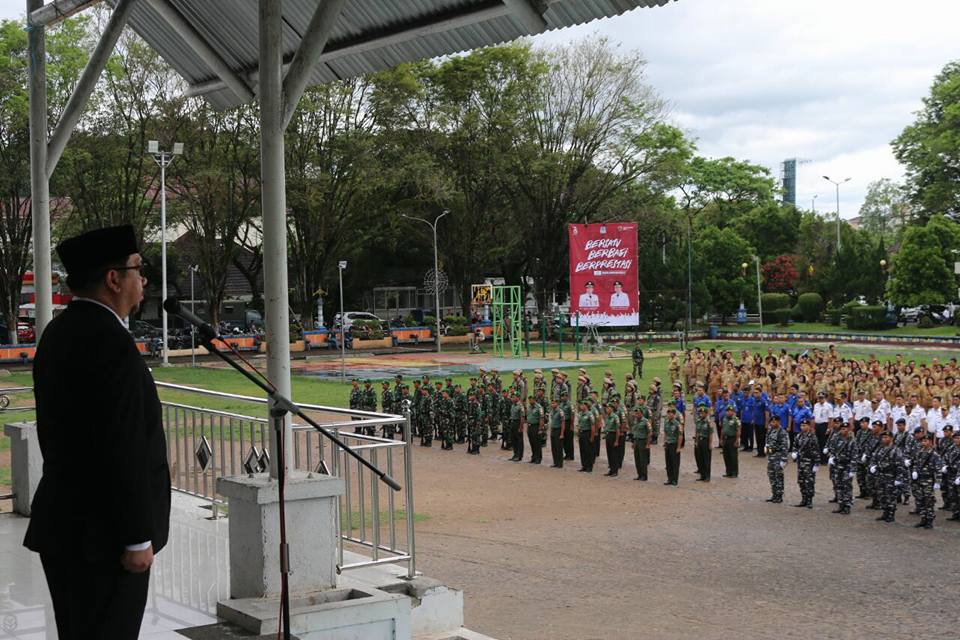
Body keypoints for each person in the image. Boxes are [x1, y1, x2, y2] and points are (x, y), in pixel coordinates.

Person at [26, 225, 171, 639]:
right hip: (104, 539)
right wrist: (136, 537)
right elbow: (120, 447)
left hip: (67, 524)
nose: (143, 279)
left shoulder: (60, 331)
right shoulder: (111, 344)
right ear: (113, 278)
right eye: (137, 269)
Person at [913, 433, 943, 529]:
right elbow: (915, 464)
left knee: (928, 501)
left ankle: (929, 520)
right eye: (922, 441)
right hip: (919, 479)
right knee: (920, 500)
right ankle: (923, 519)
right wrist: (914, 472)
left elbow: (938, 469)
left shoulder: (934, 454)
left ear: (930, 442)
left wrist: (938, 482)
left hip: (929, 480)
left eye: (925, 441)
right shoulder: (919, 452)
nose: (923, 443)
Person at [792, 419, 819, 508]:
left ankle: (809, 500)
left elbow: (816, 450)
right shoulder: (798, 436)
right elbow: (795, 446)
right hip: (801, 463)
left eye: (804, 425)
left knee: (809, 482)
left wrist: (816, 463)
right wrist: (794, 452)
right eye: (801, 425)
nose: (802, 427)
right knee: (801, 481)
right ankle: (803, 499)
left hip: (809, 463)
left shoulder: (812, 437)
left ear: (809, 426)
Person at [764, 415, 789, 503]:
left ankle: (779, 496)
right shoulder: (770, 430)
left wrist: (784, 459)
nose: (773, 423)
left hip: (778, 456)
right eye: (772, 422)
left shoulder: (782, 432)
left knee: (778, 477)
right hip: (771, 456)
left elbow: (785, 446)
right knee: (771, 476)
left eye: (775, 422)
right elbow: (767, 440)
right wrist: (766, 447)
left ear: (779, 422)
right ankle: (774, 494)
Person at [630, 397, 652, 481]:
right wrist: (633, 442)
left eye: (638, 413)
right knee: (637, 459)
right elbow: (635, 432)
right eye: (635, 413)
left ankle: (644, 475)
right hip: (637, 441)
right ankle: (639, 474)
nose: (636, 415)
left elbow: (650, 432)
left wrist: (648, 443)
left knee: (643, 460)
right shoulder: (636, 421)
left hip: (643, 441)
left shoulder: (646, 421)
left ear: (641, 414)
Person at [662, 406, 683, 485]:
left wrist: (678, 447)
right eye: (668, 414)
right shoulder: (666, 422)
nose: (669, 415)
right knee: (668, 463)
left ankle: (674, 480)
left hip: (674, 445)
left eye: (671, 414)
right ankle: (669, 479)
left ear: (674, 415)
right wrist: (664, 442)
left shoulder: (677, 424)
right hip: (668, 444)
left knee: (675, 463)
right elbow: (665, 433)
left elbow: (680, 436)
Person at [720, 404, 741, 478]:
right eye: (728, 411)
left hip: (732, 439)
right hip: (725, 438)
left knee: (733, 456)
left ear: (733, 412)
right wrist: (721, 439)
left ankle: (734, 472)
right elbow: (722, 429)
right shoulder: (724, 418)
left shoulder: (736, 419)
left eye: (731, 411)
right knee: (726, 456)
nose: (729, 412)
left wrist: (737, 440)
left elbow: (738, 430)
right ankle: (728, 471)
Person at [693, 405, 712, 482]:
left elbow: (710, 434)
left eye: (703, 413)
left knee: (706, 459)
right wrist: (696, 442)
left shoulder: (708, 422)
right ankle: (702, 475)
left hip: (705, 441)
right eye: (700, 413)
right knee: (700, 458)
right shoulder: (698, 421)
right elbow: (697, 432)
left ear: (706, 414)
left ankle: (707, 476)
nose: (701, 414)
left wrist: (710, 444)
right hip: (699, 441)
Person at [577, 400, 596, 473]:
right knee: (582, 450)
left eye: (583, 405)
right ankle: (584, 466)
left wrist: (592, 436)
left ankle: (589, 467)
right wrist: (579, 433)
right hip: (581, 433)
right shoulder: (580, 414)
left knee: (588, 451)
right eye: (581, 405)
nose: (581, 406)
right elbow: (579, 424)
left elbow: (593, 426)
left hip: (587, 433)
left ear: (586, 406)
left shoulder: (590, 414)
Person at [525, 394, 544, 464]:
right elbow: (528, 417)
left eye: (531, 399)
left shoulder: (539, 407)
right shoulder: (529, 407)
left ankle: (538, 458)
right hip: (530, 426)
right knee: (532, 442)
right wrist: (527, 427)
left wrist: (540, 429)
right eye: (529, 400)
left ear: (534, 400)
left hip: (536, 426)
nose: (530, 401)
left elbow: (541, 418)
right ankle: (533, 457)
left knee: (537, 443)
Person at [548, 399, 566, 468]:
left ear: (557, 404)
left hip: (558, 430)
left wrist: (562, 434)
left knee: (559, 448)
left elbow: (563, 423)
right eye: (552, 403)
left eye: (554, 403)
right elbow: (552, 422)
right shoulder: (552, 411)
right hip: (553, 430)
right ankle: (555, 462)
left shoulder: (560, 412)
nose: (552, 404)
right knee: (554, 448)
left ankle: (560, 463)